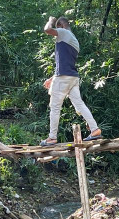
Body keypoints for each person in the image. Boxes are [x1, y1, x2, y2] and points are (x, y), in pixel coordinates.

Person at [39, 16, 102, 146]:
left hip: (64, 77)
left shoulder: (64, 33)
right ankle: (95, 129)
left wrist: (51, 20)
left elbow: (47, 29)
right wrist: (52, 78)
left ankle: (52, 137)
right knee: (79, 104)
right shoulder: (73, 40)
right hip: (72, 77)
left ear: (61, 26)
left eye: (57, 28)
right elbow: (65, 62)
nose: (55, 34)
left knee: (55, 107)